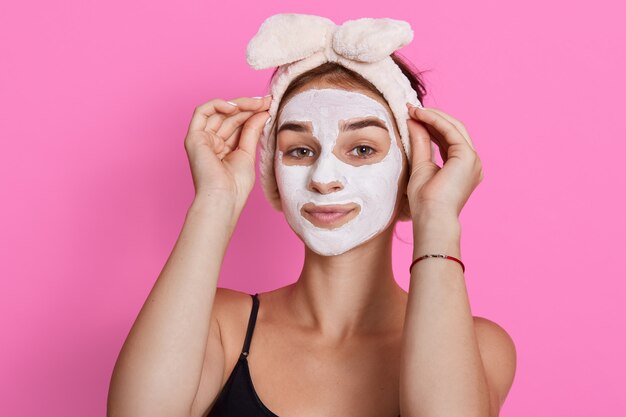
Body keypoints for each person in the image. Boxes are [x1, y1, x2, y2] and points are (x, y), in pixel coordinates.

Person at [107, 14, 516, 417]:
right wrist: (215, 200)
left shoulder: (480, 346)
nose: (324, 179)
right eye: (300, 151)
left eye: (362, 149)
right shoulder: (218, 326)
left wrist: (438, 218)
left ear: (409, 167)